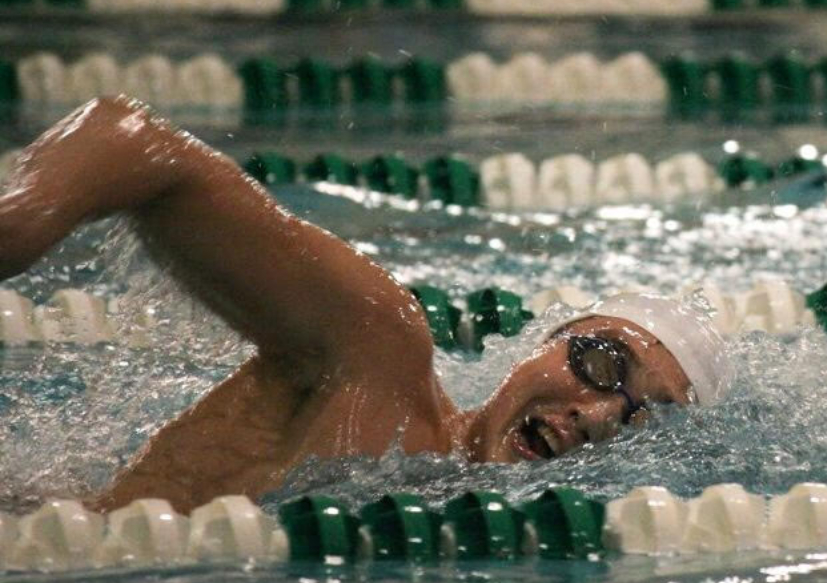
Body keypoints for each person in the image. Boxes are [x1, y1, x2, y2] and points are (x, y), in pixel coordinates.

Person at [0, 96, 731, 514]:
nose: (600, 415)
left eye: (646, 415)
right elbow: (134, 138)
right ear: (544, 340)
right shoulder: (376, 355)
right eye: (602, 363)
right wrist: (21, 216)